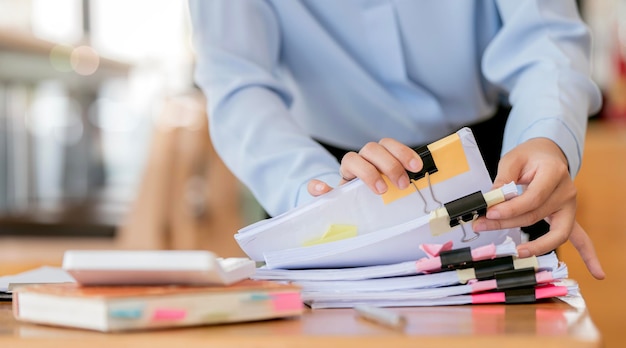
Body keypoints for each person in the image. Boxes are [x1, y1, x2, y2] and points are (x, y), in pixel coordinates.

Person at [189, 1, 605, 279]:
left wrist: (547, 136)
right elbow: (236, 80)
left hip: (495, 162)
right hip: (322, 173)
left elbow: (544, 34)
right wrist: (314, 192)